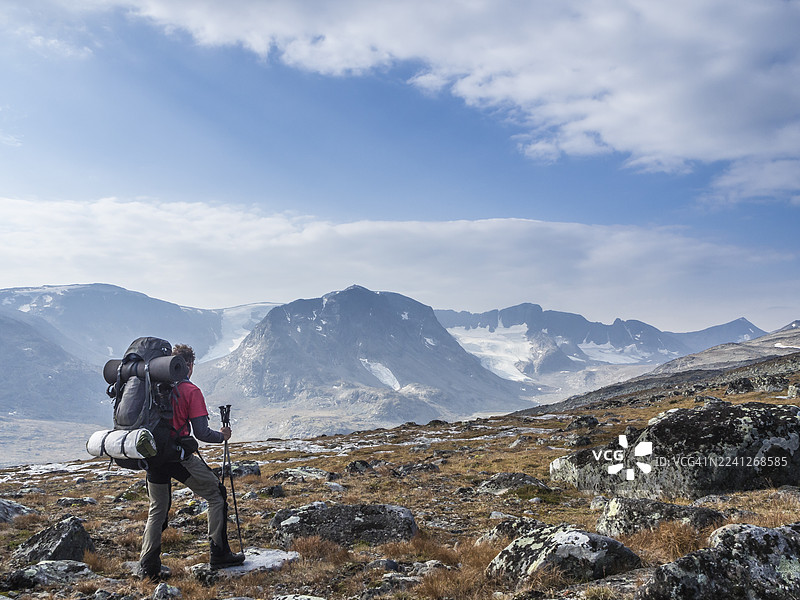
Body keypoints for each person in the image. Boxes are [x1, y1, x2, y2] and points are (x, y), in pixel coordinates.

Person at [139, 343, 245, 580]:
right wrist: (222, 436)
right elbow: (202, 433)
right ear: (188, 365)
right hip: (178, 456)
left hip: (152, 455)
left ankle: (148, 567)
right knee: (216, 494)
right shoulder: (191, 390)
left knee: (157, 509)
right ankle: (219, 553)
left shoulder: (153, 386)